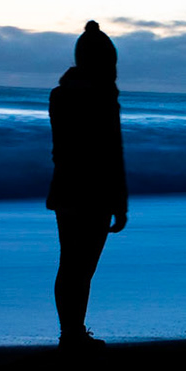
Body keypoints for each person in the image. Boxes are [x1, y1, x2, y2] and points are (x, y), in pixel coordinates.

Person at [47, 20, 128, 349]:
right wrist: (120, 204)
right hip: (94, 192)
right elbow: (112, 152)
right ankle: (74, 335)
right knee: (83, 268)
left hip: (66, 187)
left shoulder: (60, 95)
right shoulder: (104, 97)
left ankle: (70, 333)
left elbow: (62, 149)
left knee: (69, 264)